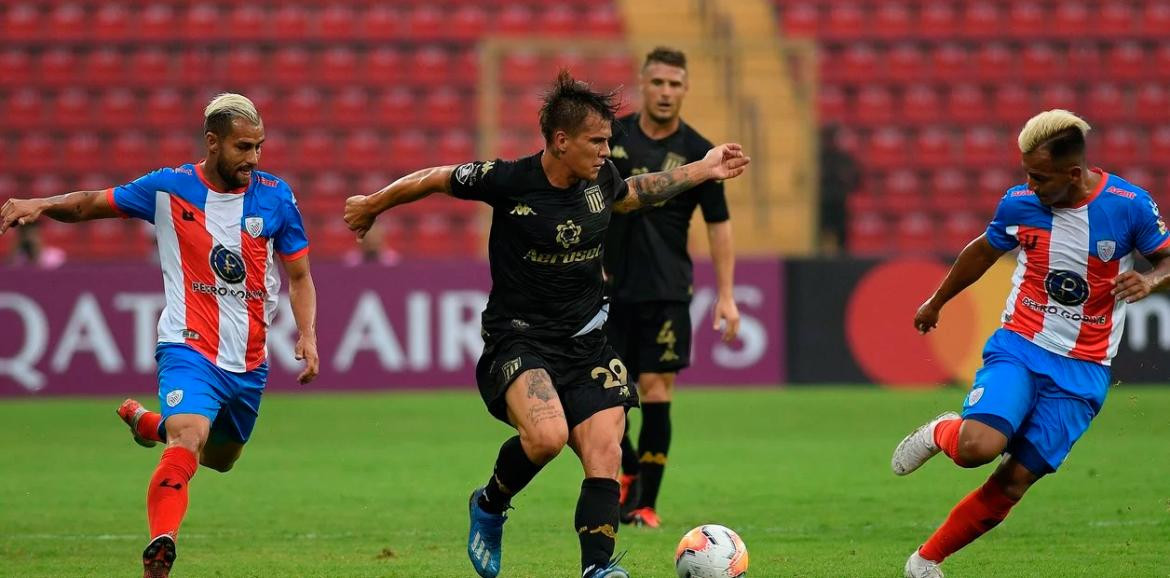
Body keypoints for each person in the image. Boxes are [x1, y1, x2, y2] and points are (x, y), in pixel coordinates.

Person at [343, 71, 749, 578]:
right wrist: (373, 205)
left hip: (587, 341)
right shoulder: (509, 181)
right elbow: (436, 176)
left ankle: (597, 569)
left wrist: (704, 168)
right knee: (548, 438)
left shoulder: (601, 180)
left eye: (608, 141)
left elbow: (635, 192)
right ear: (561, 140)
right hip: (519, 338)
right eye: (596, 141)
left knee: (605, 449)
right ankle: (489, 504)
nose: (607, 151)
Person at [0, 93, 320, 578]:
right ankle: (161, 546)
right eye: (242, 147)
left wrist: (308, 335)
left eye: (258, 147)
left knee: (221, 458)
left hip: (250, 360)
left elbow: (298, 276)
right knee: (188, 438)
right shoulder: (167, 188)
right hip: (187, 344)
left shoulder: (276, 196)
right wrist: (42, 204)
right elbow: (90, 204)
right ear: (212, 143)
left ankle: (146, 422)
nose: (253, 159)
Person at [892, 109, 1170, 578]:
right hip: (1021, 346)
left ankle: (925, 561)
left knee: (1015, 481)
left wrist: (1152, 279)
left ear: (1073, 173)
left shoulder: (1129, 205)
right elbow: (983, 249)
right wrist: (936, 302)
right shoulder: (1021, 204)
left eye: (1039, 176)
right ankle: (943, 431)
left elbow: (1166, 260)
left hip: (1084, 370)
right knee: (978, 447)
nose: (1030, 184)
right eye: (1026, 173)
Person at [603, 47, 740, 529]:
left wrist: (726, 294)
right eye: (657, 82)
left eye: (674, 84)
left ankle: (644, 504)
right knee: (608, 396)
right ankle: (629, 468)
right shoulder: (609, 138)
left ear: (685, 88)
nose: (665, 92)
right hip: (605, 292)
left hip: (665, 291)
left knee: (657, 390)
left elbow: (719, 224)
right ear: (642, 83)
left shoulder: (701, 153)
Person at [817, 124, 861, 255]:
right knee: (819, 237)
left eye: (832, 137)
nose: (830, 141)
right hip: (821, 204)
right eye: (827, 137)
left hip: (839, 203)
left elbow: (856, 181)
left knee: (841, 238)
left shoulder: (844, 159)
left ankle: (842, 257)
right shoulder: (817, 159)